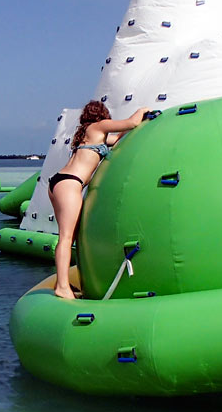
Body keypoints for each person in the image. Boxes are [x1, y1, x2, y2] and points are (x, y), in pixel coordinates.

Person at [47, 101, 149, 299]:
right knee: (66, 238)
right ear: (102, 115)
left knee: (69, 238)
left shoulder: (90, 134)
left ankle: (63, 283)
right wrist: (143, 110)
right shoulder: (99, 126)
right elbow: (132, 122)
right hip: (70, 184)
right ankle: (61, 287)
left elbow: (118, 140)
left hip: (60, 183)